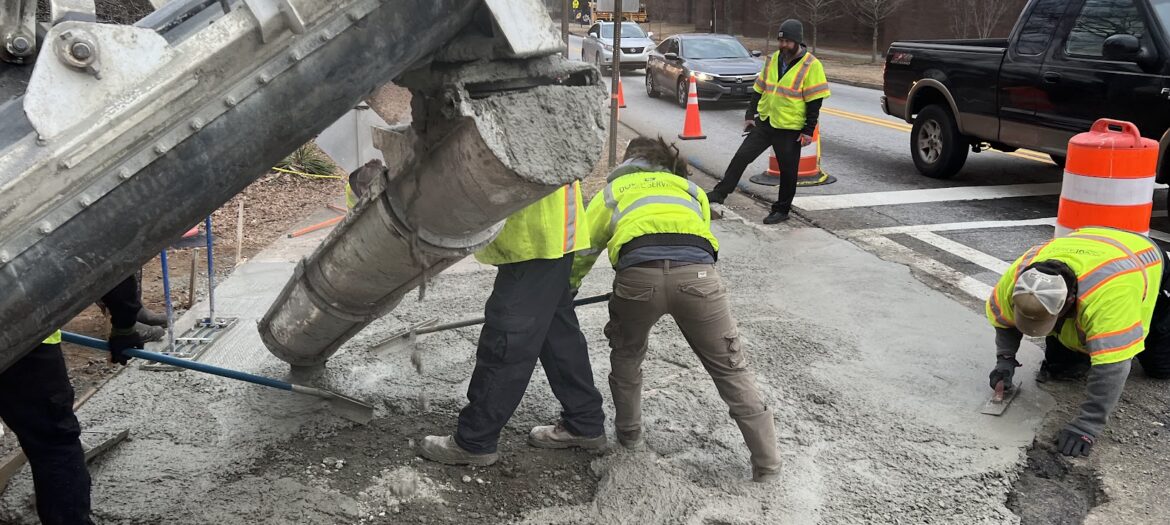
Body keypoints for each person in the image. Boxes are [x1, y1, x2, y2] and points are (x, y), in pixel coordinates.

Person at [571, 136, 782, 482]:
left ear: (628, 163)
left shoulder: (614, 190)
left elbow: (584, 248)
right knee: (731, 369)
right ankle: (768, 465)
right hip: (698, 279)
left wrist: (568, 289)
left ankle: (629, 437)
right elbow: (697, 237)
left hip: (638, 280)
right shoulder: (691, 191)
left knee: (627, 356)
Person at [419, 180, 606, 466]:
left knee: (507, 338)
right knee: (558, 336)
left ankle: (474, 440)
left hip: (536, 239)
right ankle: (584, 421)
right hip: (551, 236)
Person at [986, 226, 1170, 457]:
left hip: (1142, 259)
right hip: (1091, 242)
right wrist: (1005, 360)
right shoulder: (1018, 280)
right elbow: (1005, 321)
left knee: (1160, 367)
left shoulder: (1109, 297)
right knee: (1063, 369)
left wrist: (1087, 425)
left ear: (1071, 300)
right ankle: (1093, 340)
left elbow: (1113, 366)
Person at [0, 276, 146, 524]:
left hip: (23, 337)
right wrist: (124, 326)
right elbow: (107, 257)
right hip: (23, 338)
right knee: (53, 443)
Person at [705, 19, 830, 225]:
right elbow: (759, 88)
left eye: (787, 42)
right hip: (765, 122)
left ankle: (781, 210)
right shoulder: (773, 60)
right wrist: (749, 115)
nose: (782, 45)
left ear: (797, 41)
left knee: (788, 172)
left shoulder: (811, 65)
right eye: (780, 41)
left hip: (789, 128)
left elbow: (815, 101)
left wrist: (808, 131)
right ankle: (720, 193)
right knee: (741, 157)